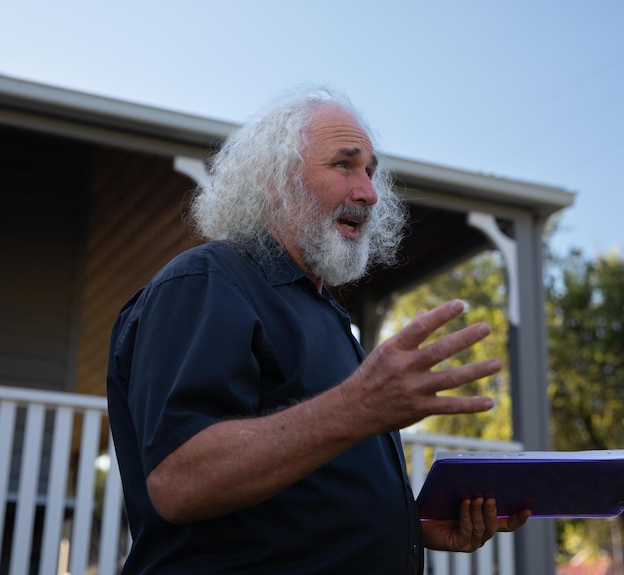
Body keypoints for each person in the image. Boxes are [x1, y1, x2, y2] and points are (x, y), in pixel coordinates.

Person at [106, 87, 530, 575]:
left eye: (370, 171)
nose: (369, 191)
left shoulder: (328, 315)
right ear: (274, 182)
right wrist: (359, 406)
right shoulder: (207, 281)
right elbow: (179, 480)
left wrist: (407, 523)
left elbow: (299, 495)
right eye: (344, 165)